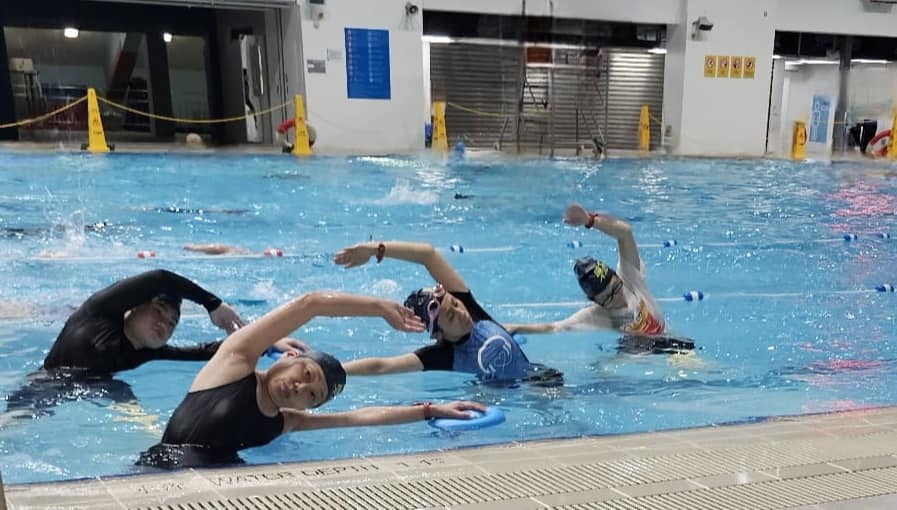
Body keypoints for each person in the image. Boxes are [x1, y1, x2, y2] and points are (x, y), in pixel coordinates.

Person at [137, 291, 484, 469]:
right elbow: (310, 304)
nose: (300, 388)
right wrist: (378, 307)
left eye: (312, 395)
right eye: (305, 374)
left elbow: (358, 417)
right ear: (290, 357)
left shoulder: (285, 421)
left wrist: (430, 410)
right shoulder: (234, 363)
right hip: (161, 471)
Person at [333, 241, 561, 384]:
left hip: (538, 379)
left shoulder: (471, 310)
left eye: (455, 304)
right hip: (500, 398)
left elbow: (427, 254)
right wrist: (331, 369)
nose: (460, 312)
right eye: (450, 316)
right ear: (438, 334)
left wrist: (375, 249)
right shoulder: (444, 356)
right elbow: (381, 367)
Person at [505, 204, 691, 353]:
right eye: (607, 299)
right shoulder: (596, 315)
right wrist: (517, 327)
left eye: (616, 289)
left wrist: (590, 220)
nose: (617, 298)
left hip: (667, 341)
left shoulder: (630, 279)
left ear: (617, 277)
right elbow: (555, 327)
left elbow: (625, 233)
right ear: (596, 302)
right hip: (636, 353)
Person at [42, 269, 256, 374]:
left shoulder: (147, 352)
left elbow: (206, 351)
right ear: (133, 307)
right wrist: (212, 304)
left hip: (100, 393)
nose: (164, 324)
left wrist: (264, 341)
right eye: (158, 311)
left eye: (172, 323)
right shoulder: (97, 315)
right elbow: (159, 279)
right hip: (44, 386)